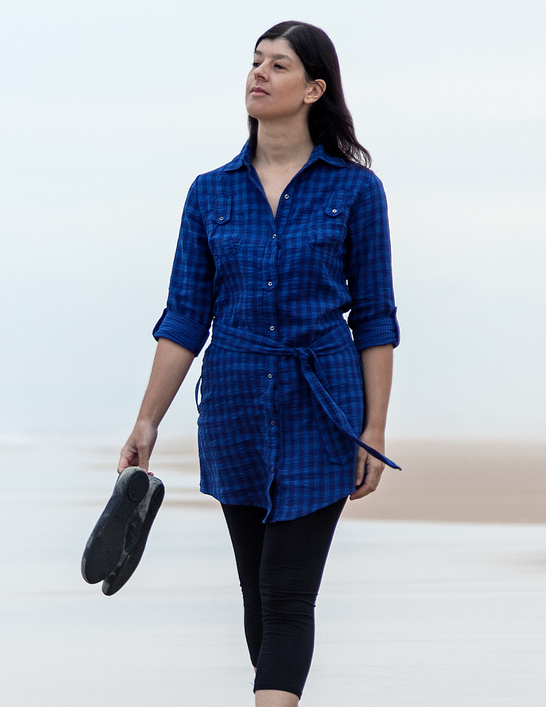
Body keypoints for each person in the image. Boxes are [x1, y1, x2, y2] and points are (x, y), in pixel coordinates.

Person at [116, 20, 400, 707]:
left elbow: (375, 318)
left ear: (314, 89)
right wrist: (147, 421)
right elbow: (185, 317)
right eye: (255, 62)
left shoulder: (356, 191)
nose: (259, 74)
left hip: (322, 404)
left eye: (278, 65)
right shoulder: (209, 193)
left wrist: (373, 429)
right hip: (234, 404)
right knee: (257, 591)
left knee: (287, 590)